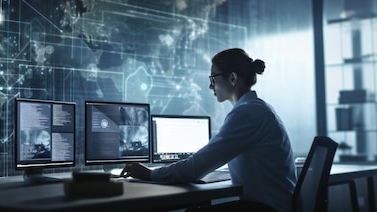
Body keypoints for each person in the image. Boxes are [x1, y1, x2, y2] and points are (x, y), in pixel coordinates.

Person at [120, 48, 297, 212]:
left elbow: (194, 169)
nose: (211, 86)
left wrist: (150, 173)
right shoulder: (256, 109)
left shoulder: (247, 114)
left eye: (213, 78)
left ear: (233, 78)